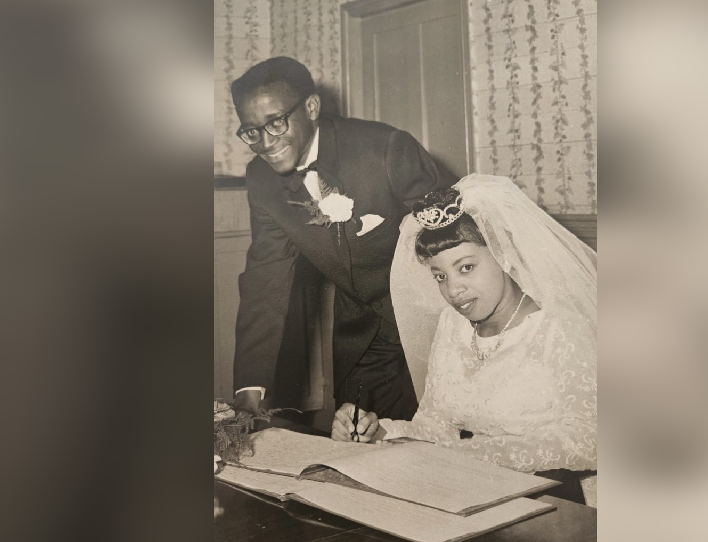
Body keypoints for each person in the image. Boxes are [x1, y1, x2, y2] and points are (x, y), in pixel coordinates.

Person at [331, 174, 597, 504]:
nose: (452, 290)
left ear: (504, 255)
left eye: (466, 267)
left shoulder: (561, 327)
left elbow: (587, 442)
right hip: (481, 488)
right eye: (440, 276)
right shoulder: (452, 325)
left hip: (565, 501)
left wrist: (467, 453)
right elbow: (436, 425)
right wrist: (380, 431)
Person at [230, 56, 457, 420]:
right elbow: (265, 280)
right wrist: (250, 388)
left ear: (312, 107)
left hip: (440, 320)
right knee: (360, 443)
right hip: (363, 334)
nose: (265, 142)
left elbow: (458, 239)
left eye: (275, 122)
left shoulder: (384, 148)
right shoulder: (262, 180)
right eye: (251, 131)